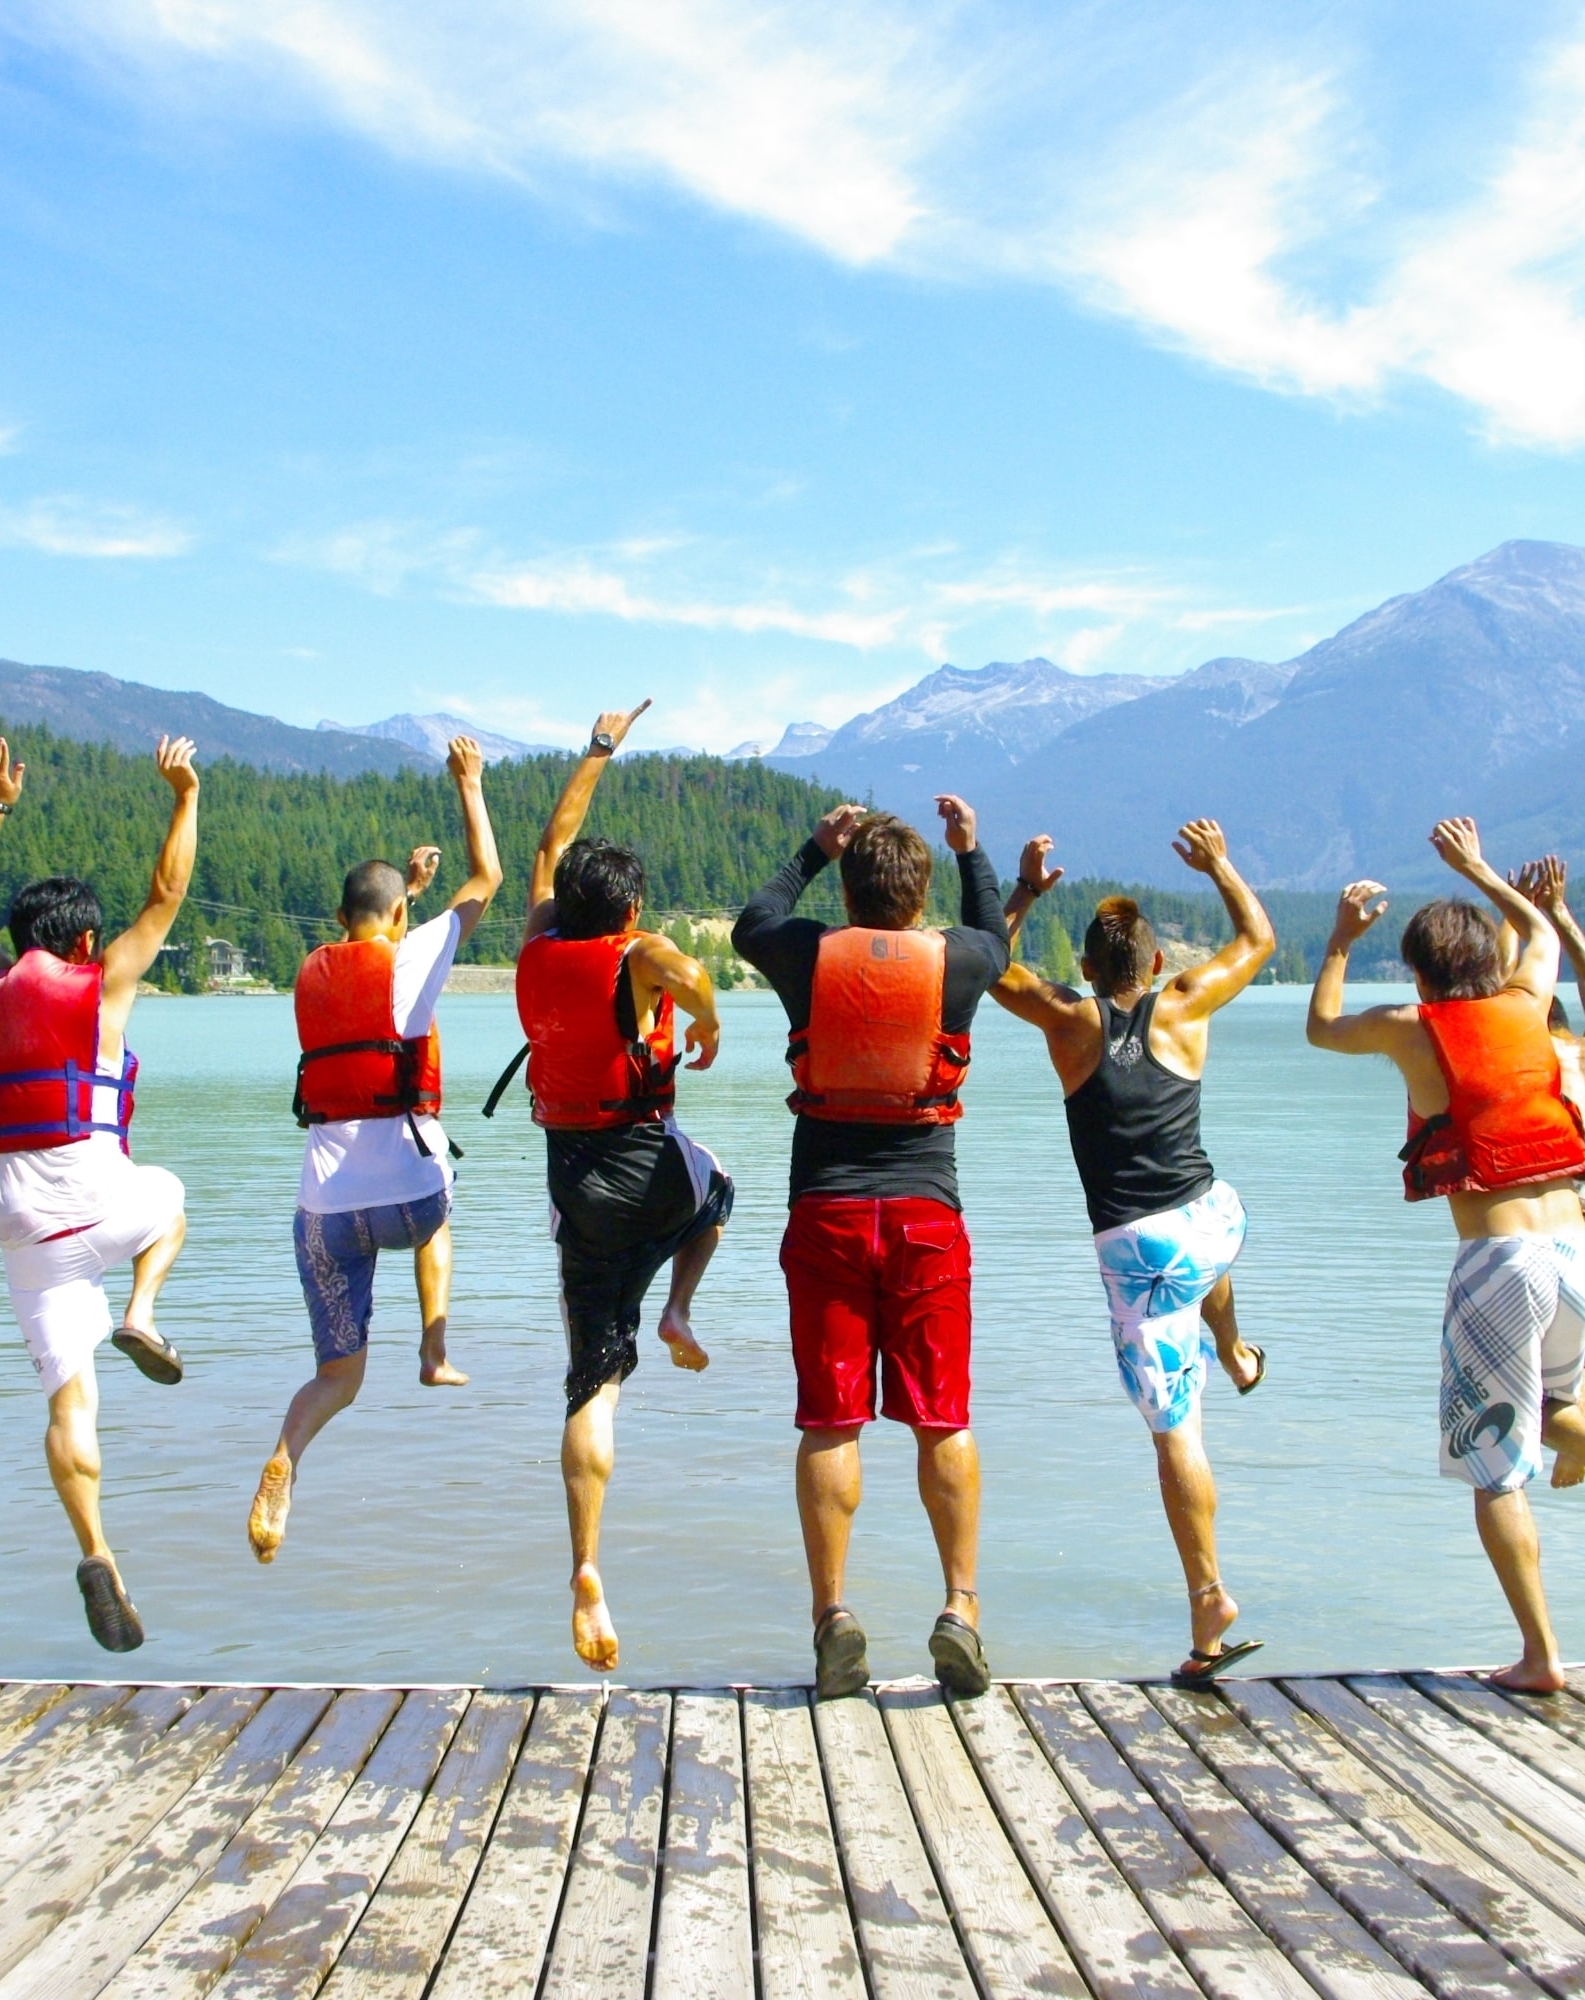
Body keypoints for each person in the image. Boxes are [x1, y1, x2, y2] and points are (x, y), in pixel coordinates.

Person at [1306, 816, 1585, 1695]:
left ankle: (1539, 1657)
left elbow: (1320, 1028)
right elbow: (1540, 935)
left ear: (1419, 974)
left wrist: (1341, 941)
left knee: (1496, 1473)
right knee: (1552, 1408)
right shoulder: (1531, 1002)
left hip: (1498, 1264)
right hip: (1577, 1250)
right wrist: (1482, 871)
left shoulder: (1408, 1029)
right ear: (1486, 966)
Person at [733, 795, 1009, 1699]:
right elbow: (994, 939)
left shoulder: (809, 955)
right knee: (944, 1418)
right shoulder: (961, 963)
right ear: (919, 892)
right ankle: (960, 1610)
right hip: (928, 1218)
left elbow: (752, 923)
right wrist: (972, 851)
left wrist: (813, 845)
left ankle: (833, 1619)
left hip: (827, 1215)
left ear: (849, 891)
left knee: (829, 1419)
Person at [991, 820, 1275, 1685]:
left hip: (1138, 1250)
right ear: (1152, 966)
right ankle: (1232, 1345)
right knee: (1211, 1232)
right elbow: (1260, 938)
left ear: (1088, 968)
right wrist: (1222, 863)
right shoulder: (1186, 1001)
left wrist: (1027, 892)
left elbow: (986, 969)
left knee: (1176, 1432)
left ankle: (1209, 1598)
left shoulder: (1067, 1018)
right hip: (1209, 1218)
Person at [0, 732, 199, 1653]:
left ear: (19, 942)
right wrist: (183, 796)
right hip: (103, 1205)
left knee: (69, 1403)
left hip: (24, 1235)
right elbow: (167, 895)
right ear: (87, 942)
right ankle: (141, 1309)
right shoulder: (104, 988)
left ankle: (97, 1550)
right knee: (170, 1199)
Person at [510, 698, 734, 1670]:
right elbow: (684, 969)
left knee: (590, 1382)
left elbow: (555, 840)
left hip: (576, 1184)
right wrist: (709, 1021)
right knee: (717, 1185)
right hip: (653, 1165)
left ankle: (585, 1565)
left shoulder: (530, 946)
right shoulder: (633, 953)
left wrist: (596, 750)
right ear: (632, 913)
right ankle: (680, 1308)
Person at [246, 736, 504, 1563]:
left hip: (322, 1213)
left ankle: (286, 1455)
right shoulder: (414, 957)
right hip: (404, 1198)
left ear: (337, 922)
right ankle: (435, 1350)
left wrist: (405, 886)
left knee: (338, 1378)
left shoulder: (311, 970)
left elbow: (378, 934)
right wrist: (469, 784)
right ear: (400, 917)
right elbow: (487, 880)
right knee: (440, 1205)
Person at [1510, 855, 1585, 1491]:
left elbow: (1509, 998)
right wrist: (1559, 914)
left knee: (1528, 1375)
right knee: (1581, 1361)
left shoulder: (1537, 1052)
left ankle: (1578, 1442)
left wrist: (1519, 917)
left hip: (1563, 1208)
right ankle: (1575, 1436)